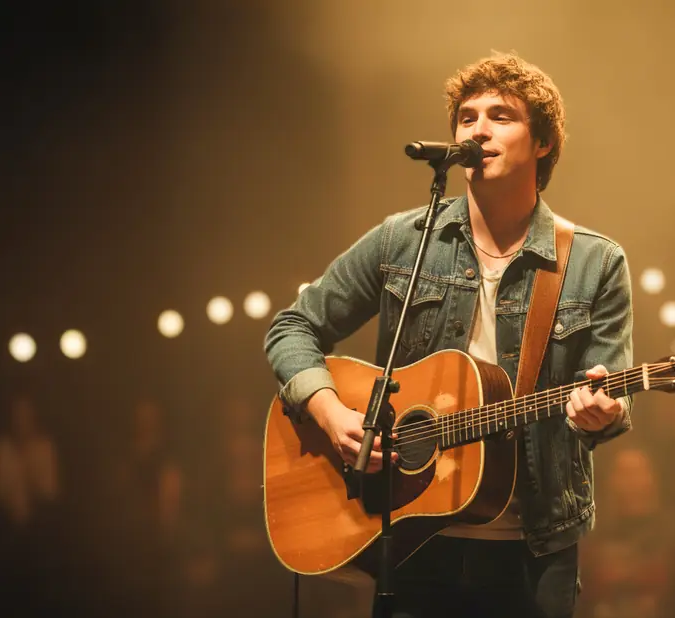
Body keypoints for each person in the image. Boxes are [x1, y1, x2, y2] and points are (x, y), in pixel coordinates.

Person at [265, 52, 636, 618]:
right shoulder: (402, 240)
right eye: (467, 118)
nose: (478, 129)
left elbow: (612, 393)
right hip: (413, 540)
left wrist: (603, 410)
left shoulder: (594, 262)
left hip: (533, 550)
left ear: (542, 144)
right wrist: (331, 413)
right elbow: (293, 326)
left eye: (501, 116)